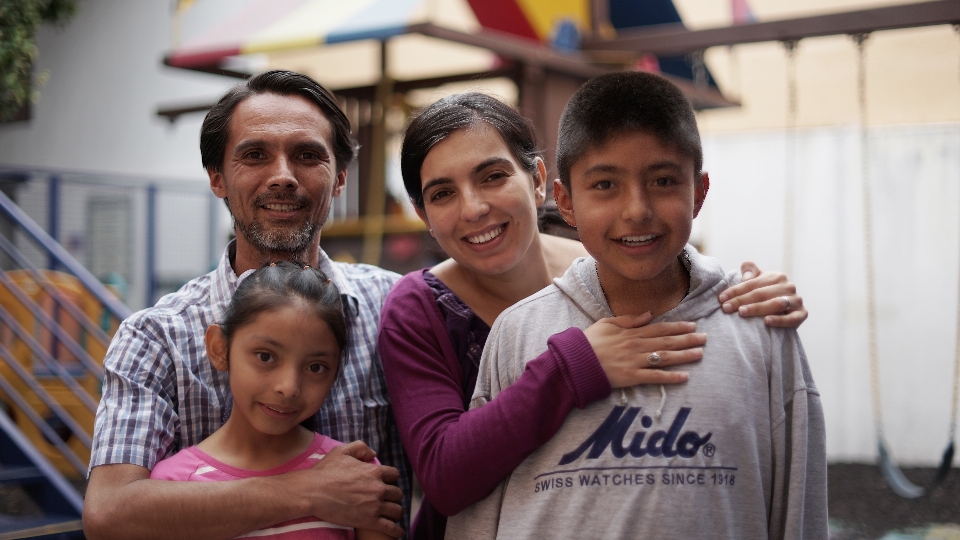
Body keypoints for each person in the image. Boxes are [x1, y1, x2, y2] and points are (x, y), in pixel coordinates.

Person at [378, 93, 809, 539]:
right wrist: (574, 367)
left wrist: (743, 293)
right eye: (443, 193)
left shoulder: (622, 259)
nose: (473, 208)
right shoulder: (420, 308)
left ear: (540, 181)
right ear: (422, 214)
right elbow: (444, 476)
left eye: (493, 176)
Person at [84, 71, 407, 540]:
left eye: (307, 155)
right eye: (255, 155)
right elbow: (110, 514)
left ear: (339, 178)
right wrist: (308, 493)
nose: (282, 176)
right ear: (217, 177)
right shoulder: (157, 338)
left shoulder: (395, 310)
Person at [150, 262, 389, 540]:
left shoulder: (355, 479)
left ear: (336, 372)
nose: (288, 388)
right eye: (265, 356)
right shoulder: (172, 486)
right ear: (219, 348)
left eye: (315, 367)